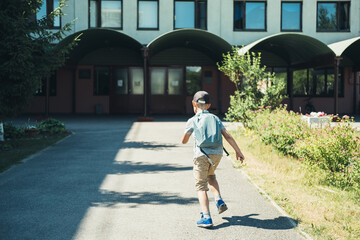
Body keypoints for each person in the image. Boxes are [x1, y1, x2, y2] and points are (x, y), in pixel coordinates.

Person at [181, 90, 245, 228]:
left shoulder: (192, 120)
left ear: (194, 104)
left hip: (201, 156)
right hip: (217, 155)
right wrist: (238, 151)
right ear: (209, 105)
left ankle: (206, 217)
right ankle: (218, 200)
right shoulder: (216, 119)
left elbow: (184, 141)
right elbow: (227, 135)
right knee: (211, 176)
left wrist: (188, 134)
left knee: (201, 186)